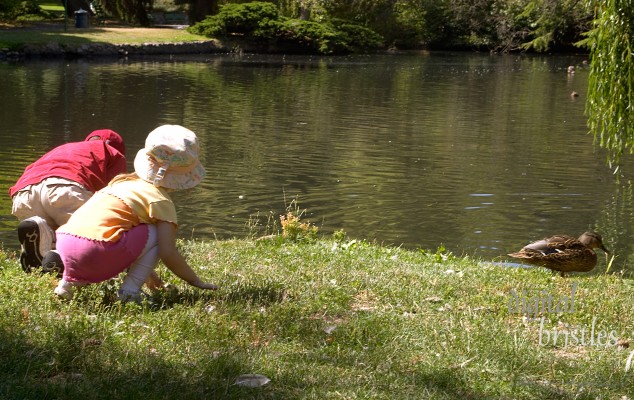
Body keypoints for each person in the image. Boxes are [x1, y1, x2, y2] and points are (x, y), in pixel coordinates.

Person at [53, 124, 218, 302]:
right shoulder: (160, 200)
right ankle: (129, 292)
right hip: (95, 253)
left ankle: (66, 285)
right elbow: (167, 252)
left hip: (65, 245)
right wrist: (195, 281)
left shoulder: (120, 183)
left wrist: (152, 278)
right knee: (155, 233)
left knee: (120, 228)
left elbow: (127, 240)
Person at [9, 129, 127, 275]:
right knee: (90, 239)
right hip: (64, 188)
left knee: (47, 240)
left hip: (24, 193)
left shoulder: (65, 148)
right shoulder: (111, 152)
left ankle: (45, 244)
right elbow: (115, 194)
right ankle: (62, 259)